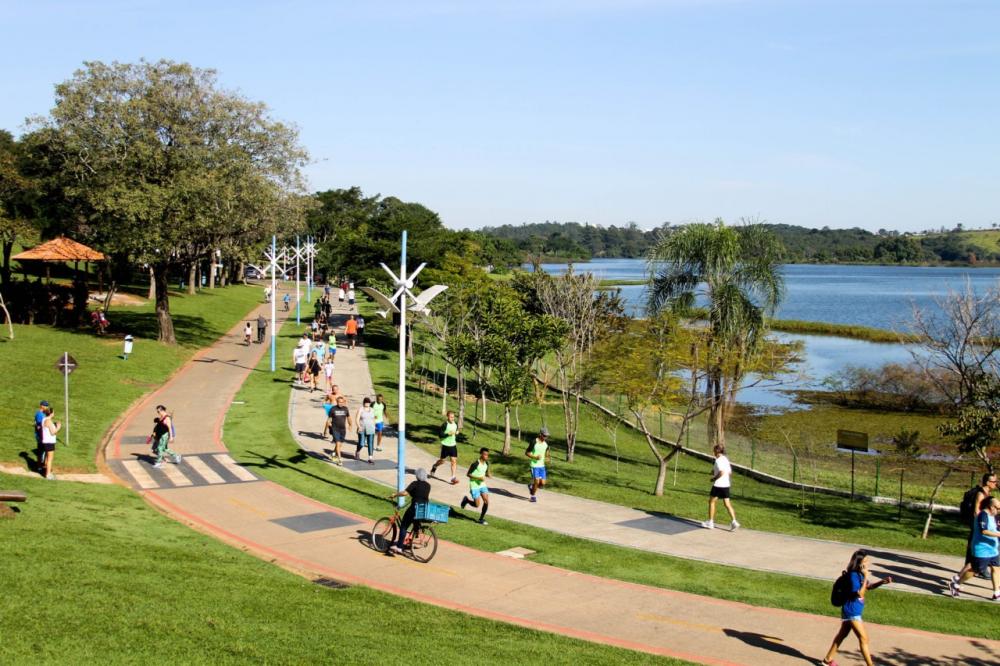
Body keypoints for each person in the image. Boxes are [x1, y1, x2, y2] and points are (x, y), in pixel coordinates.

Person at [821, 549, 892, 666]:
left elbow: (868, 586)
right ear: (859, 563)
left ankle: (827, 660)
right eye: (866, 561)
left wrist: (881, 582)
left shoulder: (858, 574)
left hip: (851, 610)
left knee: (842, 635)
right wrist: (865, 576)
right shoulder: (854, 576)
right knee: (864, 639)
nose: (868, 563)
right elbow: (860, 593)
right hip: (852, 612)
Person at [951, 472, 997, 589]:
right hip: (978, 528)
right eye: (994, 482)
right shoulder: (981, 494)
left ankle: (973, 571)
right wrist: (980, 526)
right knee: (973, 555)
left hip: (982, 528)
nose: (996, 484)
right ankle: (958, 578)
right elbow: (976, 512)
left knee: (975, 555)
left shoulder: (988, 494)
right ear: (987, 482)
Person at [950, 496, 1000, 600]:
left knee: (996, 569)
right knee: (975, 570)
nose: (999, 510)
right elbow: (984, 531)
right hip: (982, 549)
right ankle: (956, 584)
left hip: (993, 549)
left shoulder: (992, 516)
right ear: (991, 507)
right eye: (998, 508)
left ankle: (996, 593)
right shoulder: (983, 515)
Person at [388, 468, 431, 554]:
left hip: (414, 508)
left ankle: (399, 547)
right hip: (423, 509)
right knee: (415, 521)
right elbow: (420, 494)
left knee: (404, 526)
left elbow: (405, 493)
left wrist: (395, 494)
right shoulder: (428, 486)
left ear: (417, 476)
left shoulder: (414, 483)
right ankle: (415, 537)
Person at [702, 444, 739, 531]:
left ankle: (710, 522)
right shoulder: (725, 459)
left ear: (717, 451)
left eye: (714, 450)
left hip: (718, 485)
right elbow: (729, 472)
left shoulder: (718, 460)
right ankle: (734, 522)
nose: (713, 452)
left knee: (711, 502)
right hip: (726, 485)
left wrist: (714, 478)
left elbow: (722, 472)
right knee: (727, 504)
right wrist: (714, 471)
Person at [460, 448, 492, 525]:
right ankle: (466, 500)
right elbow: (468, 474)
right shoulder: (475, 464)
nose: (486, 456)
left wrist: (488, 474)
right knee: (477, 505)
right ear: (481, 454)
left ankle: (481, 519)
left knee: (486, 501)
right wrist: (478, 478)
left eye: (487, 455)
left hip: (482, 485)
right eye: (484, 454)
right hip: (474, 486)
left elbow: (486, 472)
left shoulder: (486, 464)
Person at [430, 410, 460, 485]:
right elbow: (440, 435)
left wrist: (456, 433)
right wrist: (448, 434)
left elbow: (455, 431)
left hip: (453, 445)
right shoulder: (444, 425)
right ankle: (435, 466)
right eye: (450, 417)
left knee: (454, 461)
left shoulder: (455, 424)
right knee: (442, 461)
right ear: (447, 417)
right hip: (445, 446)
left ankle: (453, 477)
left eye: (453, 417)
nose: (452, 418)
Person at [151, 405, 182, 469]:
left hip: (165, 435)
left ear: (162, 410)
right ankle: (176, 456)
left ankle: (159, 462)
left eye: (158, 411)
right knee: (165, 448)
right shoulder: (161, 417)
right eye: (157, 411)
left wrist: (171, 437)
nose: (158, 412)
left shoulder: (167, 418)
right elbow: (159, 426)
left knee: (159, 448)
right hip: (161, 435)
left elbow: (170, 428)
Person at [526, 427, 550, 503]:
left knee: (542, 483)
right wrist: (535, 457)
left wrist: (547, 458)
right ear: (540, 434)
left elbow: (547, 453)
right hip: (534, 466)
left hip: (542, 466)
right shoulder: (533, 442)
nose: (546, 437)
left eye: (547, 436)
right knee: (536, 482)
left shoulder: (546, 444)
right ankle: (533, 497)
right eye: (544, 436)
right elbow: (527, 453)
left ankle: (531, 486)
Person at [326, 395, 352, 465]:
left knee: (340, 444)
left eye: (342, 402)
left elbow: (349, 417)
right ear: (337, 402)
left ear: (343, 402)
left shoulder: (345, 409)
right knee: (337, 443)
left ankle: (333, 454)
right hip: (335, 429)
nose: (341, 403)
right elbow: (329, 419)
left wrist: (350, 425)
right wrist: (328, 425)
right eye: (339, 402)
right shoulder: (333, 409)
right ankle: (339, 459)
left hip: (343, 429)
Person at [39, 404, 61, 479]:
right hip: (49, 442)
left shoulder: (44, 419)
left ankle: (46, 471)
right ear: (51, 413)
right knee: (50, 459)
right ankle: (48, 474)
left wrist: (54, 425)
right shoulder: (48, 421)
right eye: (53, 412)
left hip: (45, 442)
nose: (54, 413)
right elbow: (53, 432)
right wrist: (58, 427)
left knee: (47, 458)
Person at [356, 397, 377, 464]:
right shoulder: (361, 409)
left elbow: (373, 419)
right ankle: (357, 451)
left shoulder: (372, 410)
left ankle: (370, 458)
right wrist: (359, 426)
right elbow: (357, 419)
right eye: (366, 402)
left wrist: (374, 426)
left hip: (370, 428)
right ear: (364, 403)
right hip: (362, 428)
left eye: (368, 402)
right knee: (361, 443)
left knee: (370, 443)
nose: (367, 404)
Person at [34, 399, 49, 471]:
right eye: (45, 405)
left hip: (43, 435)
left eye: (47, 405)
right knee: (41, 451)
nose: (47, 407)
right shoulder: (40, 415)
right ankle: (39, 466)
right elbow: (40, 426)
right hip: (41, 435)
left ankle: (43, 465)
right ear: (41, 406)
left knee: (44, 451)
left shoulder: (43, 414)